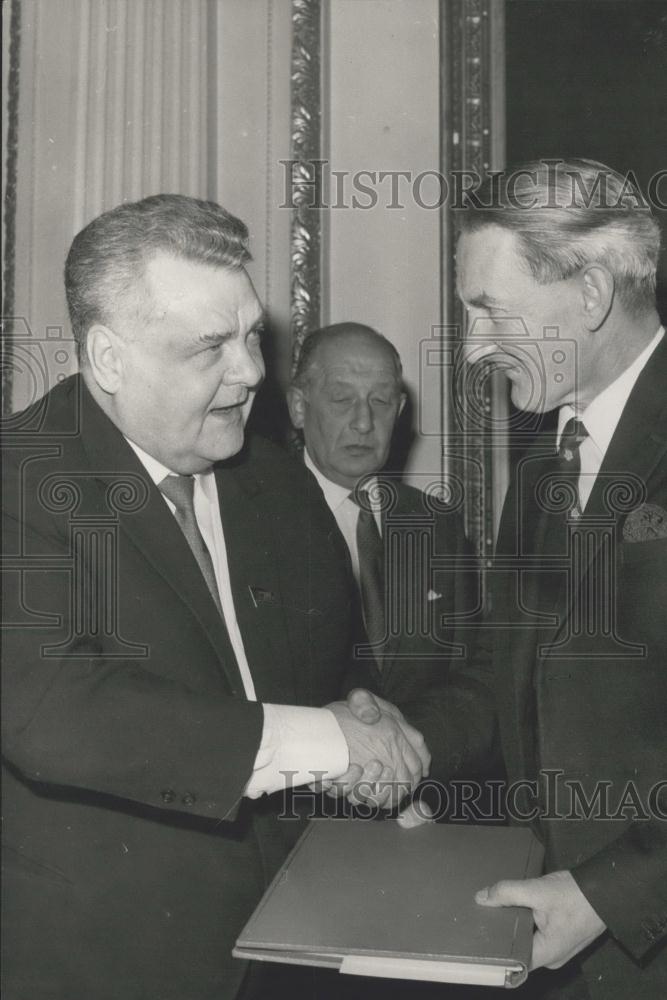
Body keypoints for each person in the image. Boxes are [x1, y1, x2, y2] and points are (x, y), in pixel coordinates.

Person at [1, 194, 429, 1000]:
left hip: (294, 943)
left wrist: (370, 752)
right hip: (107, 961)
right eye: (210, 347)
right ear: (109, 359)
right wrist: (326, 742)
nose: (253, 372)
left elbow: (330, 669)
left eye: (252, 336)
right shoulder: (19, 481)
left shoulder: (276, 481)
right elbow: (54, 710)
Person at [378, 159, 667, 998]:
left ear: (590, 293)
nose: (473, 348)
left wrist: (610, 893)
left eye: (490, 311)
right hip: (560, 947)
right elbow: (510, 674)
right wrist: (408, 752)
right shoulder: (547, 458)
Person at [287, 323, 482, 789]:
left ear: (400, 409)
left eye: (380, 401)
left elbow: (470, 679)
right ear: (299, 406)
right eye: (341, 399)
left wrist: (419, 775)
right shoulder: (255, 519)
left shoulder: (437, 525)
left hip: (424, 799)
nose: (363, 422)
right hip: (302, 799)